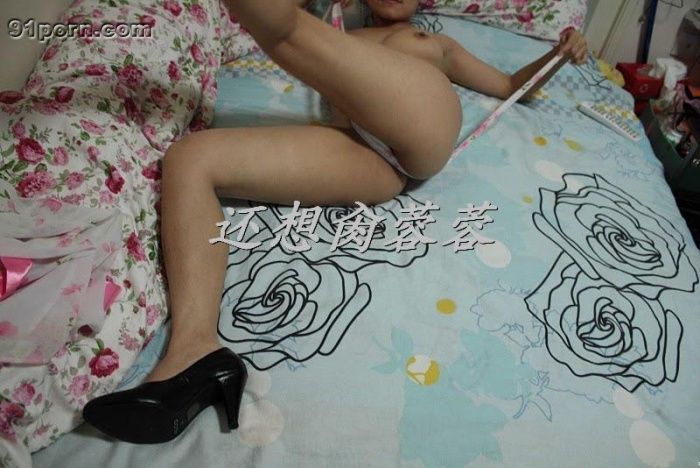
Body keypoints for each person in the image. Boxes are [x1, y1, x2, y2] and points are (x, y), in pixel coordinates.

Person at [83, 0, 588, 443]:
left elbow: (511, 85)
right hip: (366, 158)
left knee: (286, 31)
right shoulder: (338, 27)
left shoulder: (434, 44)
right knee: (191, 160)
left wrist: (558, 55)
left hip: (421, 120)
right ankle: (194, 350)